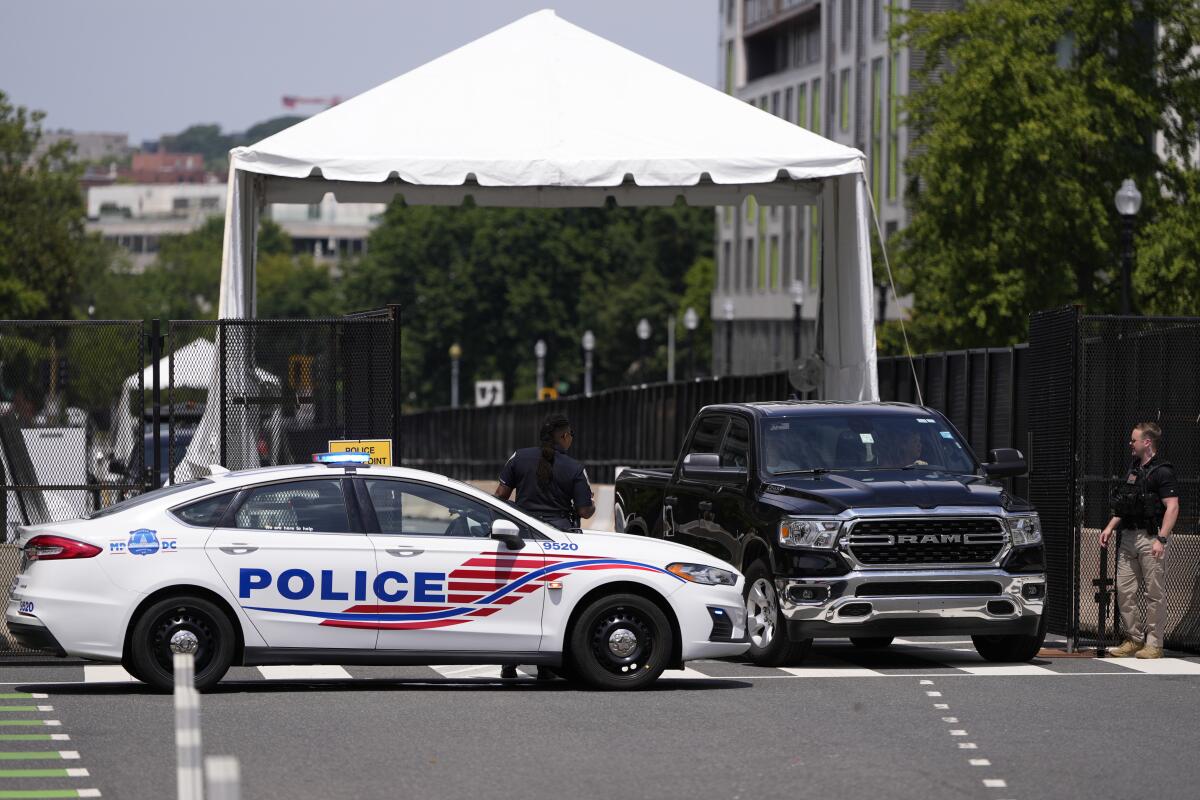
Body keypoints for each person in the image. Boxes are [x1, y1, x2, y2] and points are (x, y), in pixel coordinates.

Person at [494, 413, 595, 680]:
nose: (572, 438)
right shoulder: (574, 468)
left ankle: (509, 662)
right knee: (552, 600)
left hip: (523, 536)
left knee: (516, 597)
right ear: (563, 437)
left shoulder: (518, 458)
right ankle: (545, 666)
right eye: (570, 434)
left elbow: (500, 497)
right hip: (560, 539)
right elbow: (585, 511)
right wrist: (590, 503)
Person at [1098, 422, 1180, 659]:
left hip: (1151, 537)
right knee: (1124, 590)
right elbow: (1126, 503)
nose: (1130, 444)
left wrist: (1162, 539)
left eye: (1134, 440)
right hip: (1128, 536)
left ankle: (1154, 644)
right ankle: (1133, 639)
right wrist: (1110, 527)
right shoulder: (1134, 469)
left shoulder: (1163, 472)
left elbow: (1172, 508)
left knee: (1154, 593)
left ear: (1147, 442)